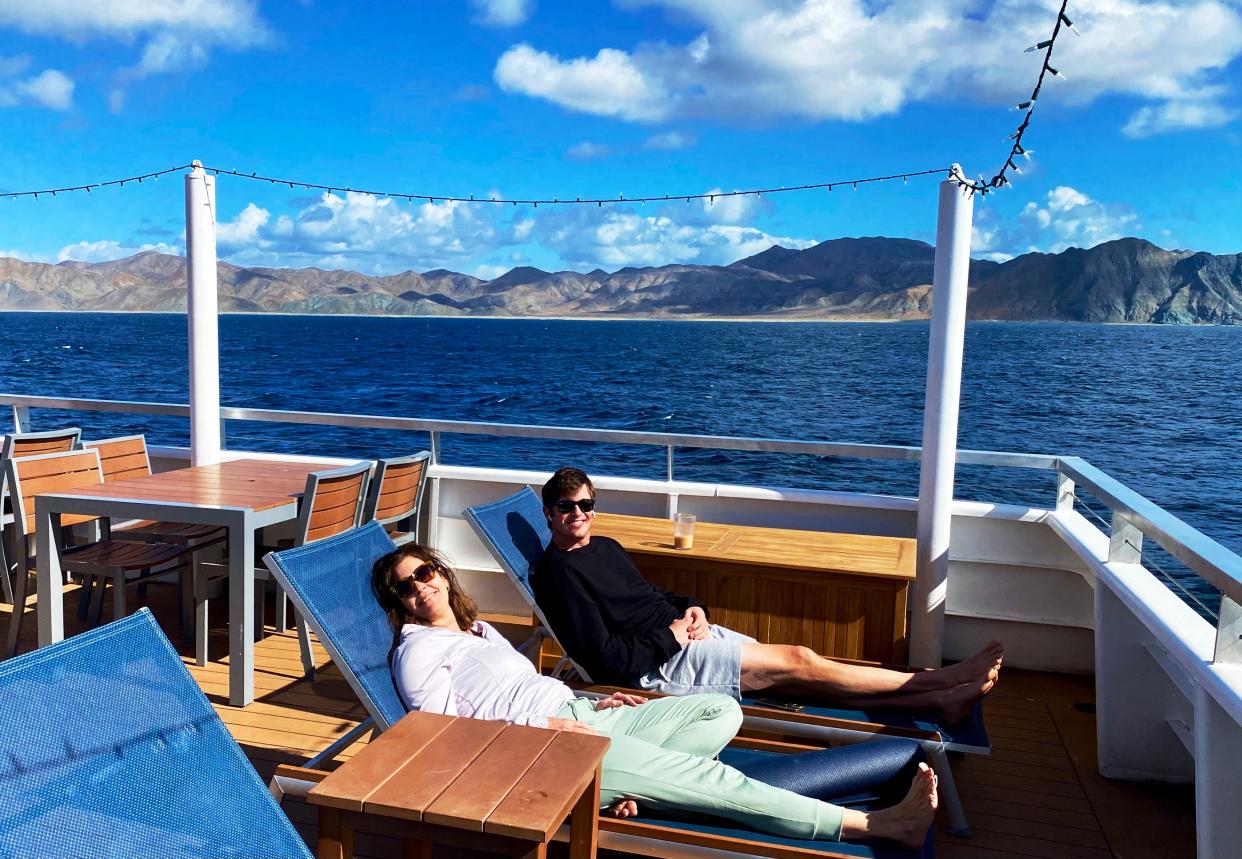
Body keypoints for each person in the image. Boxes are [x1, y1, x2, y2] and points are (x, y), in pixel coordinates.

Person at [372, 543, 938, 849]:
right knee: (718, 782)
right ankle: (875, 826)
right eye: (407, 586)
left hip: (578, 714)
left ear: (442, 572)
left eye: (425, 572)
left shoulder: (477, 630)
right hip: (539, 752)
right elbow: (441, 736)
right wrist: (546, 732)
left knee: (721, 708)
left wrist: (593, 702)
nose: (421, 587)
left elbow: (520, 688)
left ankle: (641, 788)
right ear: (397, 602)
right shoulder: (417, 650)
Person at [531, 467, 1003, 723]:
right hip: (660, 666)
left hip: (686, 636)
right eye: (566, 507)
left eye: (586, 505)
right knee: (802, 659)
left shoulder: (607, 547)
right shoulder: (561, 575)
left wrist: (691, 609)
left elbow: (655, 594)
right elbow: (608, 658)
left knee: (792, 679)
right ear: (549, 513)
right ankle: (938, 681)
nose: (578, 514)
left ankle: (935, 703)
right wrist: (674, 637)